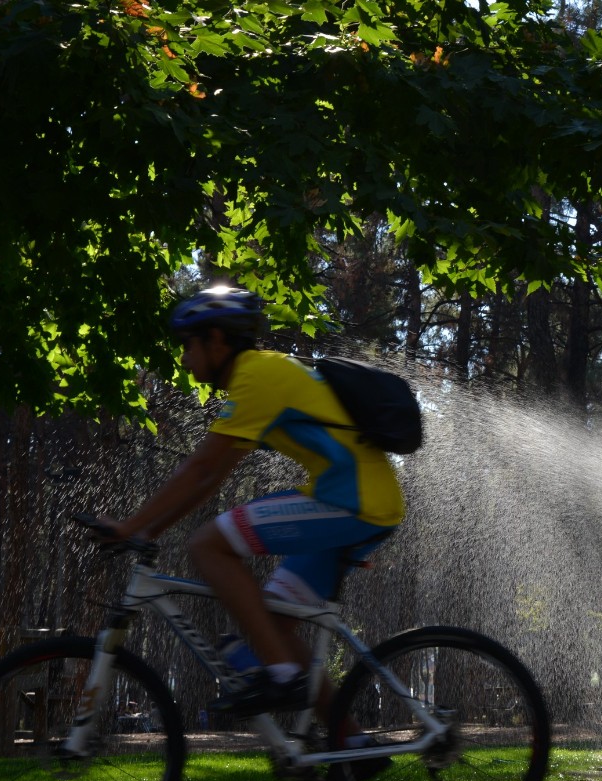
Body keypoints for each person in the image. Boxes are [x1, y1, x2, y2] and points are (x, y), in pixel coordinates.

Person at [103, 285, 406, 718]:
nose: (185, 359)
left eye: (189, 345)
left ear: (217, 340)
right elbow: (212, 476)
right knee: (276, 625)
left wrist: (129, 526)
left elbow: (200, 469)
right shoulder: (261, 374)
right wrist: (149, 529)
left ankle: (280, 675)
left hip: (353, 502)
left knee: (208, 545)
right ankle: (349, 750)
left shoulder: (256, 373)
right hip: (352, 500)